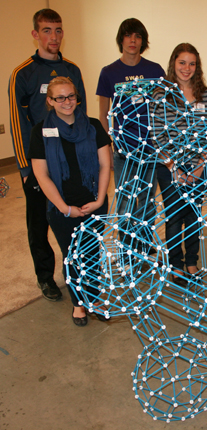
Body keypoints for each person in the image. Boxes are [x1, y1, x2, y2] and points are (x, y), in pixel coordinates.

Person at [9, 9, 87, 302]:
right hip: (39, 163)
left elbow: (83, 117)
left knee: (73, 219)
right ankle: (46, 278)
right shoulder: (22, 73)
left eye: (58, 30)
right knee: (39, 223)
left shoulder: (73, 70)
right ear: (35, 34)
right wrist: (25, 168)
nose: (53, 37)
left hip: (69, 164)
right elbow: (17, 122)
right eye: (46, 30)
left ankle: (80, 271)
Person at [28, 77, 111, 326]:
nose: (67, 102)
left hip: (93, 203)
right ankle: (78, 303)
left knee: (93, 253)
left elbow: (106, 165)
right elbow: (41, 175)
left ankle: (94, 298)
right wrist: (64, 209)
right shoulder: (40, 131)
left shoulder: (94, 126)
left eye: (71, 96)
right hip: (61, 207)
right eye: (60, 98)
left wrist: (98, 201)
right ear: (50, 101)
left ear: (77, 97)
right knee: (71, 256)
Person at [153, 43, 207, 286]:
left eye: (192, 63)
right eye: (182, 63)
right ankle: (175, 265)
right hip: (169, 168)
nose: (186, 68)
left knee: (194, 216)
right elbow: (157, 134)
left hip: (197, 167)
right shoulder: (161, 94)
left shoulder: (205, 94)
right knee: (174, 216)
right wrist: (174, 169)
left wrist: (199, 168)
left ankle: (192, 263)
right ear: (173, 64)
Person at [97, 18, 165, 226]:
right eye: (128, 35)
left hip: (150, 148)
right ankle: (126, 250)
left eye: (138, 36)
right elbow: (103, 114)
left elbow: (163, 110)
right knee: (126, 201)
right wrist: (107, 146)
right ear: (121, 40)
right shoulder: (109, 72)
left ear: (143, 41)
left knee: (147, 200)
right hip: (123, 150)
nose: (133, 40)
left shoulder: (155, 71)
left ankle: (144, 246)